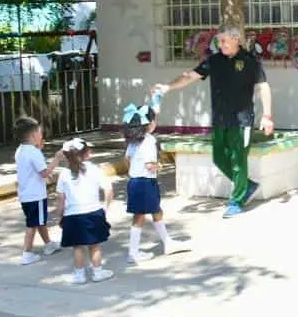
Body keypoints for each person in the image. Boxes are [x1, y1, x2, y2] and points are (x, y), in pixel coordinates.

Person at [153, 25, 275, 218]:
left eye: (224, 40)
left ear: (236, 39)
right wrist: (167, 87)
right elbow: (189, 77)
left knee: (238, 161)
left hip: (242, 120)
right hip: (220, 119)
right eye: (219, 40)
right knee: (219, 158)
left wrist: (267, 116)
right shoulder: (214, 61)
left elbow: (263, 87)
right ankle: (248, 186)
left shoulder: (251, 61)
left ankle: (237, 200)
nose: (220, 44)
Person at [121, 103, 190, 263]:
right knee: (140, 217)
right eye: (154, 120)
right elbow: (150, 165)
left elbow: (126, 160)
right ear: (149, 124)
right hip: (146, 182)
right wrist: (159, 165)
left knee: (156, 211)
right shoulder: (149, 140)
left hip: (134, 182)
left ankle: (167, 242)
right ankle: (133, 251)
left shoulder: (133, 141)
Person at [56, 138, 114, 284]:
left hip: (73, 215)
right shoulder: (94, 169)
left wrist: (60, 216)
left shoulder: (64, 174)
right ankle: (98, 272)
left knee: (77, 246)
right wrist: (105, 208)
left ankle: (79, 275)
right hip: (93, 212)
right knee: (94, 245)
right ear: (86, 153)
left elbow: (61, 200)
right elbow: (108, 189)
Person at [14, 116, 64, 265]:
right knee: (32, 224)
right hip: (36, 195)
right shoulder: (34, 153)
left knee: (39, 221)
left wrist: (39, 150)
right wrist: (57, 159)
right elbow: (45, 173)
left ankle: (48, 244)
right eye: (40, 133)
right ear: (33, 135)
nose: (42, 135)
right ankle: (27, 252)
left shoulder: (21, 150)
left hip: (25, 194)